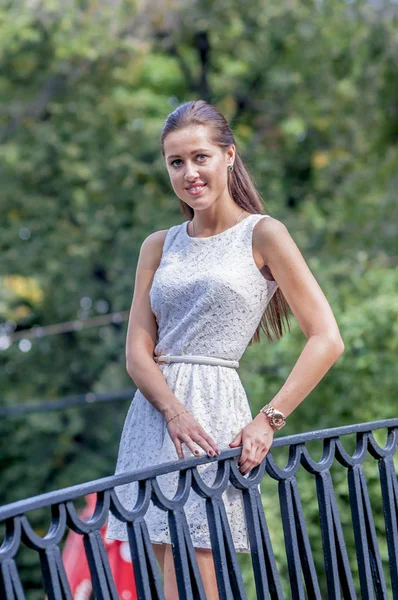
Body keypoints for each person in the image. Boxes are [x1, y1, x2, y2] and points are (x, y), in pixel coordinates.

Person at [105, 100, 344, 599]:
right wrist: (171, 412)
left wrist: (269, 419)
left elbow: (327, 338)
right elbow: (136, 351)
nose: (189, 173)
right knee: (161, 580)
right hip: (155, 415)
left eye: (200, 157)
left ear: (229, 156)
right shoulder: (158, 245)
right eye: (176, 162)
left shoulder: (264, 234)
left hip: (215, 414)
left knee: (201, 579)